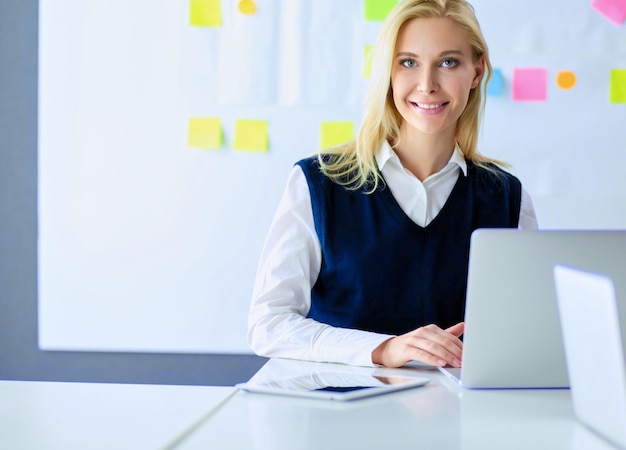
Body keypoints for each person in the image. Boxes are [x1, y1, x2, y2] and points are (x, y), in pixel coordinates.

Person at [247, 0, 538, 369]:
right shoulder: (318, 185)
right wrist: (384, 349)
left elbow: (525, 333)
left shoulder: (508, 198)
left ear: (477, 72)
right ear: (387, 70)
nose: (427, 85)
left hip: (457, 419)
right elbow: (268, 324)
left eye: (448, 62)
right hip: (337, 416)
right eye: (408, 62)